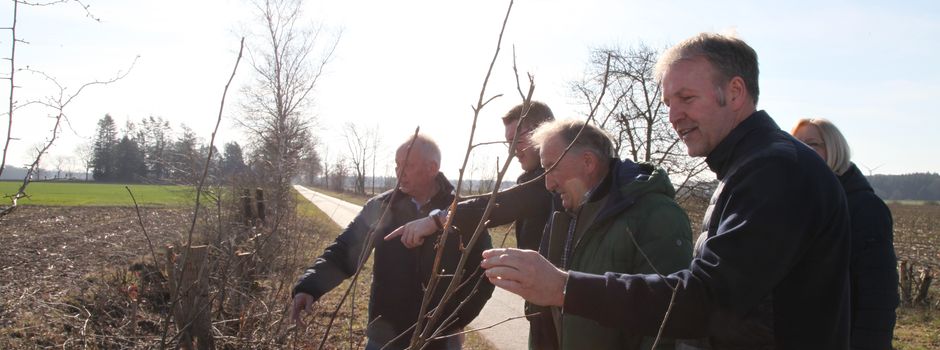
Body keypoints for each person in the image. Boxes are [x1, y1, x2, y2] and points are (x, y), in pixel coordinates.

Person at [481, 32, 852, 349]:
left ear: (735, 92)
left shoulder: (775, 171)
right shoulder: (749, 168)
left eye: (687, 98)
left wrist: (565, 287)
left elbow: (707, 299)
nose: (673, 116)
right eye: (668, 103)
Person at [290, 134, 494, 350]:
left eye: (407, 164)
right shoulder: (382, 206)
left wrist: (456, 318)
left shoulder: (462, 212)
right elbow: (345, 251)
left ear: (432, 168)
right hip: (384, 334)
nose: (399, 171)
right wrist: (309, 287)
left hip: (440, 338)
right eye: (397, 164)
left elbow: (485, 270)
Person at [385, 101, 560, 349]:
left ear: (543, 133)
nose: (512, 151)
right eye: (507, 143)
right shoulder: (537, 181)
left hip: (561, 309)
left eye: (517, 141)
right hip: (541, 307)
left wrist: (436, 220)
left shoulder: (549, 183)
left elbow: (501, 204)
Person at [528, 119, 692, 349]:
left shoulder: (657, 216)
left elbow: (667, 326)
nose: (548, 183)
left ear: (588, 162)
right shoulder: (564, 215)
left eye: (551, 167)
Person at [792, 118, 899, 350]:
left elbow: (878, 293)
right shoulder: (796, 205)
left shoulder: (864, 207)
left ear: (835, 150)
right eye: (795, 143)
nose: (802, 150)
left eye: (812, 144)